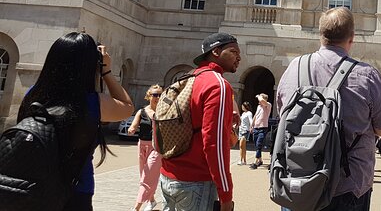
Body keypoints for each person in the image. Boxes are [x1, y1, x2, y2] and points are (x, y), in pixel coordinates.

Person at [276, 7, 381, 211]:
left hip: (298, 179)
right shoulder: (366, 75)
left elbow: (283, 115)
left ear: (320, 35)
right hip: (348, 183)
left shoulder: (294, 67)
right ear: (352, 37)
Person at [17, 32, 134, 211]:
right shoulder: (91, 102)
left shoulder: (33, 94)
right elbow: (127, 107)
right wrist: (107, 72)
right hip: (75, 190)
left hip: (31, 185)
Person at [160, 32, 240, 211]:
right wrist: (226, 194)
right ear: (216, 51)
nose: (239, 57)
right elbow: (214, 144)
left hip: (168, 175)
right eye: (234, 51)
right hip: (196, 180)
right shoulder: (217, 85)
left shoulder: (189, 77)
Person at [127, 85, 164, 211]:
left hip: (156, 147)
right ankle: (152, 200)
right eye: (155, 95)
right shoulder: (141, 111)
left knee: (146, 177)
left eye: (160, 94)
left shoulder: (164, 111)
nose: (157, 97)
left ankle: (136, 207)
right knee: (145, 175)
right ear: (149, 96)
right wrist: (131, 129)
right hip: (142, 145)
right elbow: (134, 125)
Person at [249, 93, 271, 169]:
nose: (258, 101)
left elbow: (262, 100)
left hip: (263, 128)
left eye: (260, 99)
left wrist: (259, 96)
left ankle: (256, 162)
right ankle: (260, 160)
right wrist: (252, 125)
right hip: (256, 127)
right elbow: (255, 115)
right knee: (256, 145)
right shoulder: (259, 106)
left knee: (259, 144)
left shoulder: (268, 105)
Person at [236, 101, 253, 165]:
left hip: (246, 130)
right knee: (243, 146)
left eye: (243, 106)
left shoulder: (249, 113)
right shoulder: (243, 114)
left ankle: (241, 160)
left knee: (241, 144)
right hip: (241, 130)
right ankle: (244, 160)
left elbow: (251, 121)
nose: (242, 107)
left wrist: (251, 127)